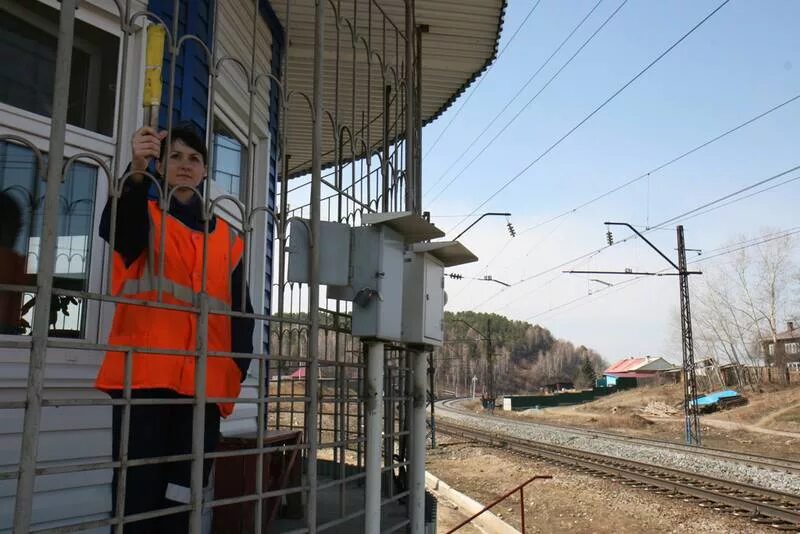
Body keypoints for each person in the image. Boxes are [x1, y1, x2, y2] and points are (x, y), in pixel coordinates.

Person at [96, 123, 254, 533]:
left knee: (181, 501)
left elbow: (243, 319)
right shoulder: (142, 217)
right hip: (146, 386)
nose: (185, 165)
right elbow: (118, 231)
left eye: (195, 158)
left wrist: (229, 378)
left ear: (205, 171)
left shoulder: (228, 239)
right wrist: (135, 170)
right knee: (137, 500)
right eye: (176, 157)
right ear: (161, 166)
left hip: (200, 394)